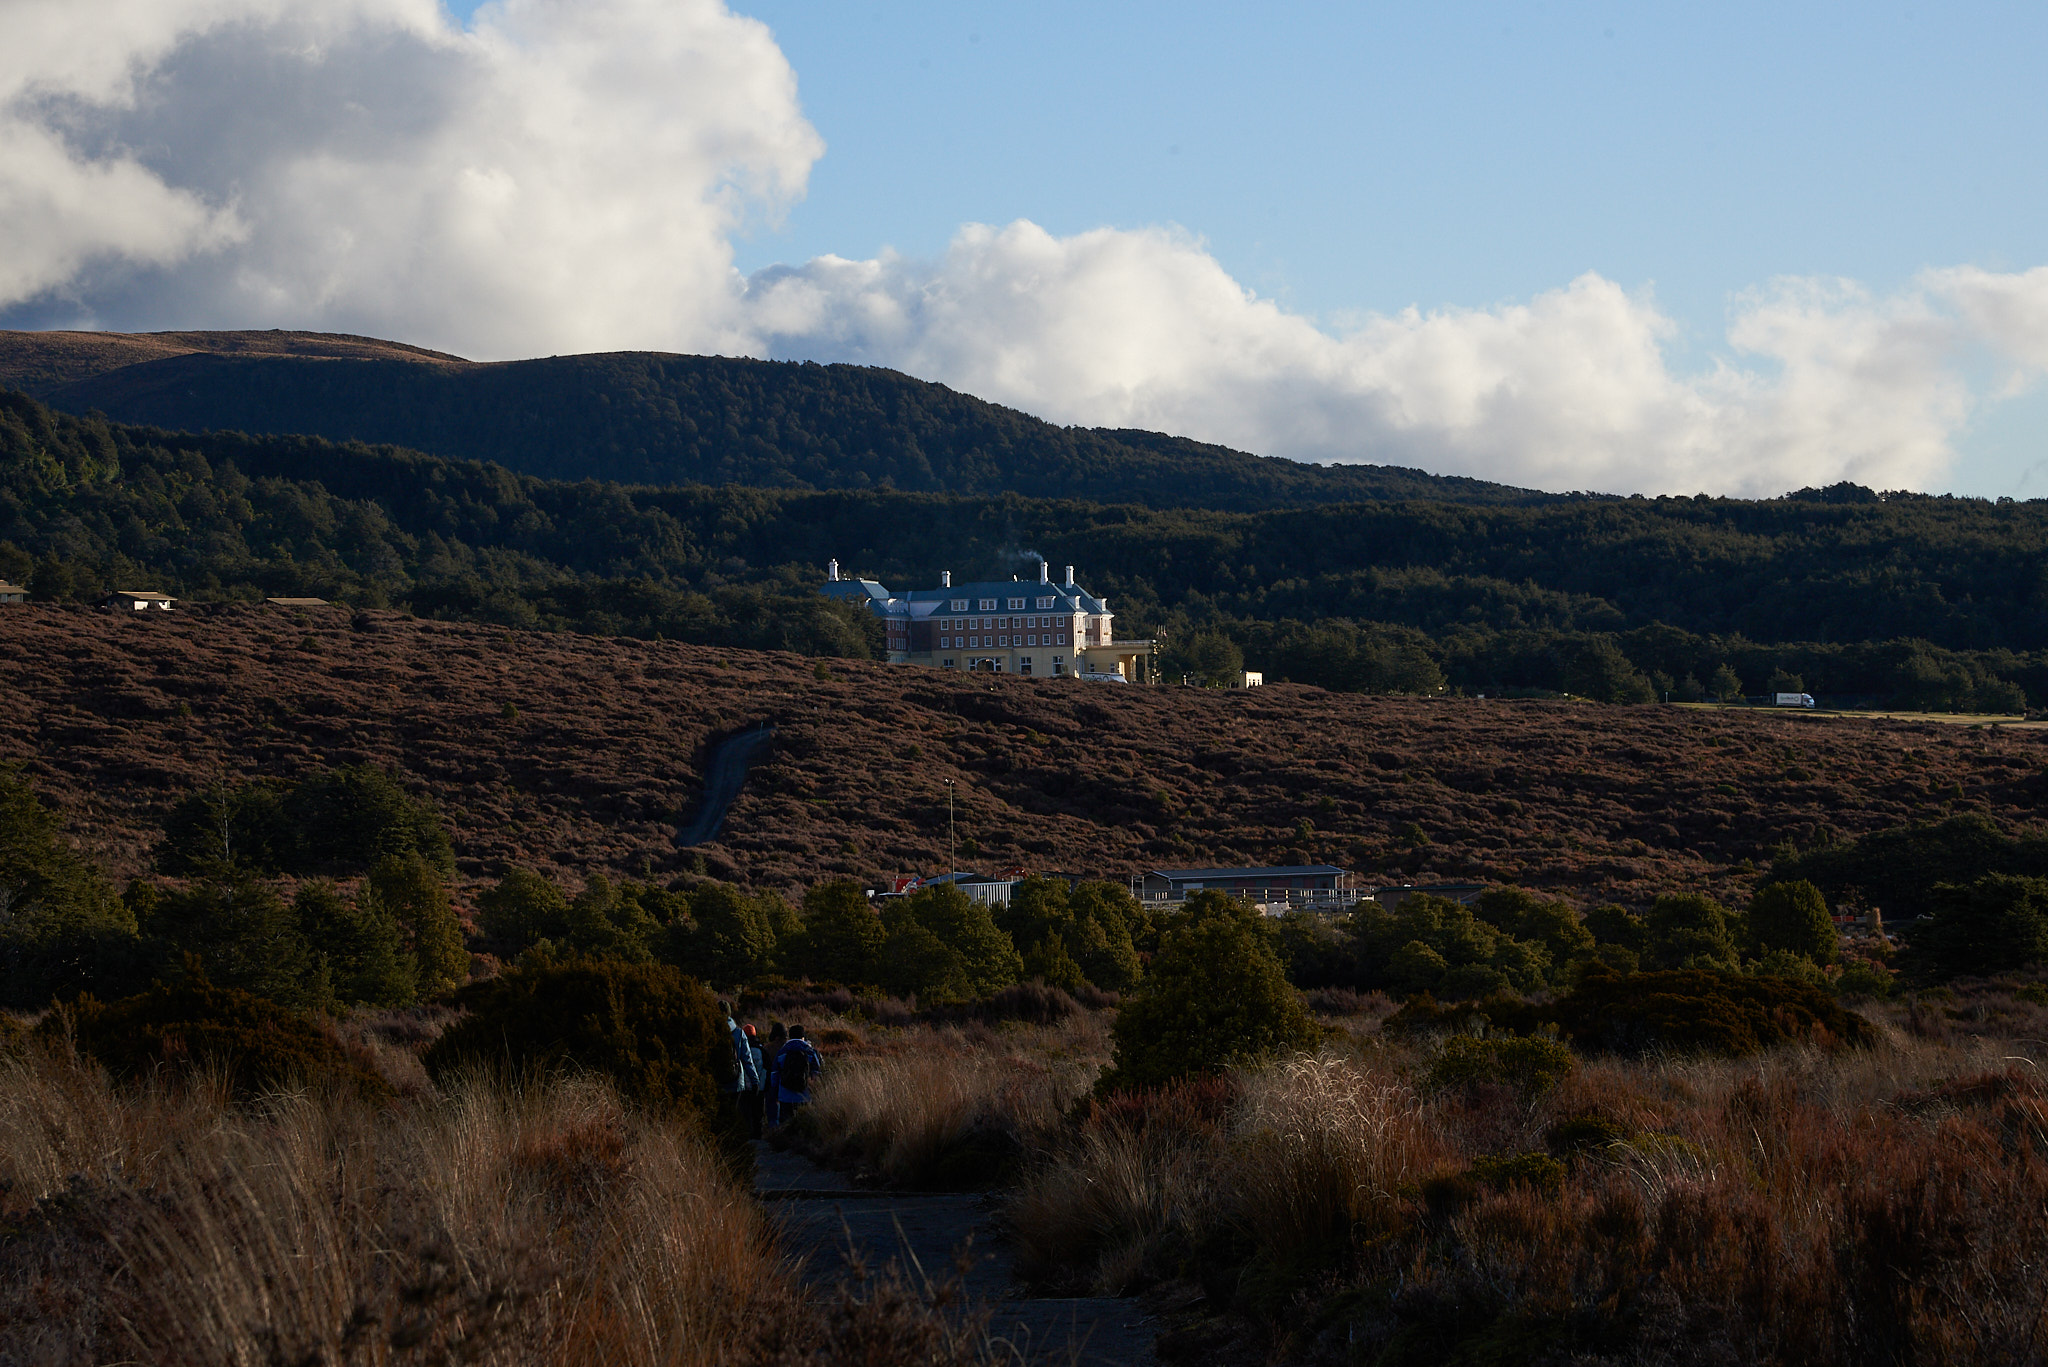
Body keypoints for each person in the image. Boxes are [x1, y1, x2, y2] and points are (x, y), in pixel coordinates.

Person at [718, 1001, 761, 1126]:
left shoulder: (710, 1029)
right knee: (734, 1114)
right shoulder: (738, 1033)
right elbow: (747, 1060)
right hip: (735, 1080)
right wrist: (755, 1081)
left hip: (717, 1080)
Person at [772, 1025, 824, 1124]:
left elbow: (774, 1075)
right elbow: (816, 1074)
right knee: (803, 1126)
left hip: (785, 1096)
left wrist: (775, 1095)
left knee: (785, 1127)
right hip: (804, 1096)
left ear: (790, 1036)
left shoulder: (782, 1052)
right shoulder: (810, 1052)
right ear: (803, 1036)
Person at [739, 1023, 767, 1139]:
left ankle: (747, 1133)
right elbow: (768, 1067)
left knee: (746, 1111)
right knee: (758, 1112)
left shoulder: (741, 1049)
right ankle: (758, 1133)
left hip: (744, 1086)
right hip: (759, 1087)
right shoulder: (761, 1050)